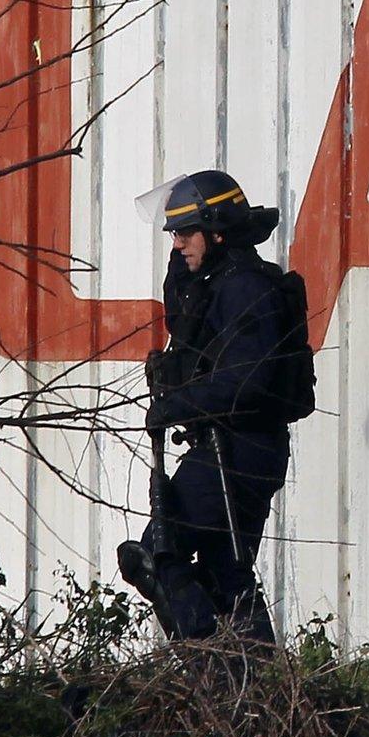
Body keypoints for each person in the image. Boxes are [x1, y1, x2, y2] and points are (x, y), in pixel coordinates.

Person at [117, 170, 311, 644]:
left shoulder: (243, 287)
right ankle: (259, 678)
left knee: (154, 556)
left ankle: (208, 666)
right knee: (230, 577)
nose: (177, 244)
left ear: (217, 229)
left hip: (239, 448)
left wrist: (176, 404)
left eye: (185, 233)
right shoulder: (216, 283)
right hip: (236, 446)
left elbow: (245, 381)